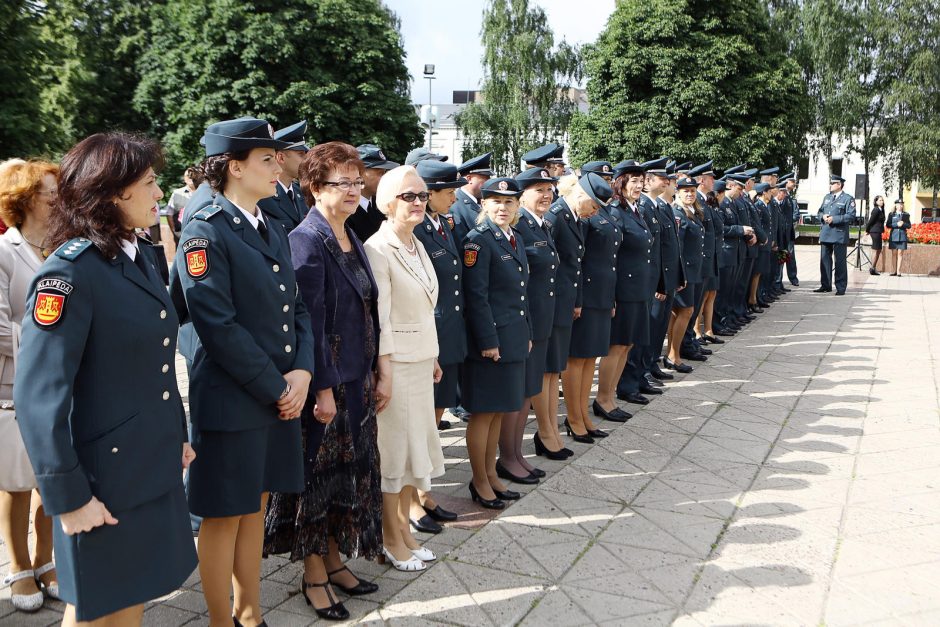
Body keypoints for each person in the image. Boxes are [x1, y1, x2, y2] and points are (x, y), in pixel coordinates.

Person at [14, 133, 197, 624]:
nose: (161, 194)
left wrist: (174, 435)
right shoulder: (69, 274)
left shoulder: (131, 254)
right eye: (151, 183)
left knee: (127, 596)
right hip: (102, 478)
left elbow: (153, 364)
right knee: (98, 606)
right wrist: (69, 499)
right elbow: (38, 399)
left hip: (143, 461)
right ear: (114, 192)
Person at [173, 118, 314, 627]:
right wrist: (278, 385)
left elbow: (296, 309)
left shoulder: (270, 225)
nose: (280, 167)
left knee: (254, 505)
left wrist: (301, 370)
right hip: (234, 396)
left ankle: (250, 614)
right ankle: (218, 619)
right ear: (235, 166)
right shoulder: (204, 229)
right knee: (222, 514)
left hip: (276, 392)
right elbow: (217, 324)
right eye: (268, 160)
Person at [264, 141, 382, 620]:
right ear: (315, 188)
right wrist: (323, 390)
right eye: (343, 182)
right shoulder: (305, 239)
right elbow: (306, 323)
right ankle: (314, 576)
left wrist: (376, 370)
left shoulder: (349, 232)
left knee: (348, 482)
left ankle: (335, 562)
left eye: (358, 181)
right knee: (316, 485)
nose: (355, 190)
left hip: (359, 380)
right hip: (327, 388)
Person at [364, 165, 445, 571]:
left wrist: (432, 356)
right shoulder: (378, 248)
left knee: (415, 454)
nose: (418, 202)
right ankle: (389, 538)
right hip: (395, 367)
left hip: (420, 361)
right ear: (388, 202)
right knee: (393, 455)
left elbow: (425, 305)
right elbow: (380, 319)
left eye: (423, 195)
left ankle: (405, 533)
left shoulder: (416, 242)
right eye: (409, 196)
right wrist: (387, 371)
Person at [0, 160, 60, 614]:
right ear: (23, 199)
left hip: (61, 384)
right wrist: (44, 340)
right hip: (14, 384)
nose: (57, 197)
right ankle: (19, 566)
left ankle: (46, 560)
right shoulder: (5, 251)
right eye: (47, 191)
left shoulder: (61, 249)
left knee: (52, 476)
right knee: (16, 482)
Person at [462, 177, 532, 510]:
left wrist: (528, 331)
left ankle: (491, 475)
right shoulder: (478, 241)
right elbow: (476, 297)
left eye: (509, 202)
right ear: (484, 205)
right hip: (491, 343)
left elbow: (521, 294)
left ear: (518, 206)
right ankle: (479, 480)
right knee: (483, 413)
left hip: (513, 338)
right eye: (495, 202)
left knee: (497, 414)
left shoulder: (514, 237)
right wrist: (488, 341)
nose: (502, 208)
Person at [410, 160, 465, 532]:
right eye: (448, 192)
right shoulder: (415, 232)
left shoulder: (443, 226)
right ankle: (412, 500)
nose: (455, 197)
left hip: (448, 336)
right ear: (429, 195)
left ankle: (425, 491)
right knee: (420, 424)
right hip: (428, 339)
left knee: (434, 421)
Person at [497, 167, 559, 482]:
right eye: (538, 189)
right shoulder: (519, 229)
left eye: (549, 189)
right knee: (517, 392)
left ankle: (516, 454)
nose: (546, 195)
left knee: (528, 390)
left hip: (541, 322)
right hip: (524, 322)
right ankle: (507, 457)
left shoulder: (542, 226)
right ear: (521, 197)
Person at [561, 173, 617, 441]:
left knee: (589, 359)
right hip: (582, 296)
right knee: (577, 359)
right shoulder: (567, 217)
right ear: (582, 195)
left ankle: (582, 414)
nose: (595, 213)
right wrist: (577, 300)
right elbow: (574, 264)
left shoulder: (581, 217)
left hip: (597, 295)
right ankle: (573, 418)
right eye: (594, 206)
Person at [596, 161, 648, 418]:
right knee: (616, 345)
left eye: (641, 180)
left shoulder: (635, 210)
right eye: (633, 180)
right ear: (621, 183)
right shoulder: (616, 211)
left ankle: (611, 396)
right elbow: (611, 255)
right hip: (623, 289)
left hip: (637, 288)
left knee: (627, 344)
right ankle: (603, 399)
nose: (639, 185)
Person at [665, 178, 704, 373]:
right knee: (685, 312)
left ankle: (673, 354)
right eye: (686, 191)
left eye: (692, 191)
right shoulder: (677, 213)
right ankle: (674, 355)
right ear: (677, 193)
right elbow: (677, 247)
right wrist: (680, 275)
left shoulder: (691, 213)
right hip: (685, 272)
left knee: (681, 313)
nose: (690, 194)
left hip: (693, 270)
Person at [257, 120, 309, 233]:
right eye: (301, 155)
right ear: (281, 158)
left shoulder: (301, 192)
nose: (306, 160)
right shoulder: (263, 197)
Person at [347, 144, 399, 242]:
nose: (384, 178)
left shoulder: (382, 205)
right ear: (359, 173)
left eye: (384, 173)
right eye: (379, 173)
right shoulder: (346, 211)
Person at [814, 174, 856, 295]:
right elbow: (820, 212)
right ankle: (825, 285)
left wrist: (834, 219)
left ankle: (841, 287)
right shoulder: (827, 197)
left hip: (839, 234)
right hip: (826, 233)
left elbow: (851, 216)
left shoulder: (848, 199)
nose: (830, 185)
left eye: (832, 183)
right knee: (824, 260)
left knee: (840, 262)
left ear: (839, 185)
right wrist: (823, 217)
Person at [450, 152, 493, 243]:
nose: (489, 182)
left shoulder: (481, 202)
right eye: (485, 178)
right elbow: (461, 245)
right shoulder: (455, 207)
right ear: (469, 179)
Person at [166, 166, 201, 244]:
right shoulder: (177, 193)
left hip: (201, 234)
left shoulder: (204, 193)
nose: (191, 177)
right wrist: (175, 232)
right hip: (181, 235)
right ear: (184, 178)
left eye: (193, 175)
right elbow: (169, 214)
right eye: (188, 175)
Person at [783, 174, 800, 286]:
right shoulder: (780, 196)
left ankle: (793, 277)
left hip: (788, 232)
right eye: (792, 181)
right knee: (781, 255)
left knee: (790, 255)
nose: (794, 184)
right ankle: (778, 280)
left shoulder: (792, 199)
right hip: (780, 233)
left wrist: (788, 221)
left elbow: (796, 214)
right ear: (786, 182)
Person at [887, 198, 910, 276]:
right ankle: (894, 271)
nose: (900, 206)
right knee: (894, 253)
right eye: (898, 204)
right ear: (895, 205)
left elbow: (909, 226)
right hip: (894, 236)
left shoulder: (906, 215)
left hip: (902, 236)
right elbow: (888, 225)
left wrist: (903, 223)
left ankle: (899, 271)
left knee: (900, 253)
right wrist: (896, 224)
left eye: (901, 204)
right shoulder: (891, 214)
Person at [866, 194, 887, 275]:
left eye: (882, 200)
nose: (882, 201)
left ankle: (873, 267)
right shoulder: (876, 210)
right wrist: (867, 230)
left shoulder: (881, 209)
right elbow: (871, 221)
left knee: (878, 249)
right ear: (876, 202)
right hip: (875, 231)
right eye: (880, 200)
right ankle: (872, 268)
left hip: (878, 231)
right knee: (876, 249)